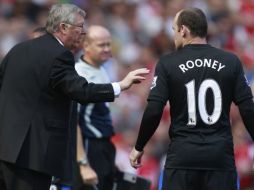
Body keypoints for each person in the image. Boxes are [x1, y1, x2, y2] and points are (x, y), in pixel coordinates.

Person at [0, 3, 149, 190]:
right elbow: (81, 91)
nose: (83, 32)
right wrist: (120, 86)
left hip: (5, 148)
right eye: (80, 27)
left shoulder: (17, 50)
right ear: (63, 27)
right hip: (32, 155)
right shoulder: (59, 54)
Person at [129, 7, 254, 190]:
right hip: (219, 158)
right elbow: (248, 108)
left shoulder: (167, 63)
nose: (174, 36)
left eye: (174, 30)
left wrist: (139, 146)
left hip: (182, 158)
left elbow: (154, 109)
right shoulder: (230, 61)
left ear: (184, 30)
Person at [73, 25, 117, 190]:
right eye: (101, 45)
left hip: (103, 144)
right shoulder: (79, 74)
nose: (107, 49)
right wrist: (83, 163)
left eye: (108, 44)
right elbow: (73, 121)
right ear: (86, 46)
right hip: (89, 146)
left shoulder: (101, 69)